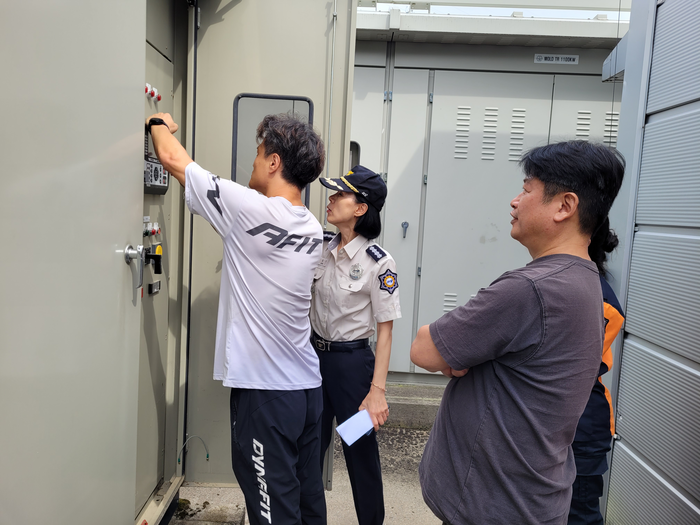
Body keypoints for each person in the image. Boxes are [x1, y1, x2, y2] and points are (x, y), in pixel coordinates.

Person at [410, 141, 625, 525]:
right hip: (527, 498)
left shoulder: (532, 288)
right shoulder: (584, 278)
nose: (514, 201)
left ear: (565, 206)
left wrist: (460, 356)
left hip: (494, 505)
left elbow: (424, 349)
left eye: (527, 190)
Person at [146, 112, 327, 525]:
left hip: (267, 395)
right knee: (307, 502)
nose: (253, 161)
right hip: (306, 390)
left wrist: (158, 121)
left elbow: (173, 160)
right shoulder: (312, 229)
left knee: (272, 511)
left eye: (259, 153)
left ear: (274, 162)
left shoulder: (249, 209)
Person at [309, 166, 401, 525]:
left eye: (340, 195)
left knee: (358, 452)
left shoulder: (378, 263)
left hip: (352, 370)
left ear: (360, 208)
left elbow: (386, 332)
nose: (331, 200)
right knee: (308, 451)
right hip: (314, 363)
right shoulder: (321, 248)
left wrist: (377, 391)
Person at [568, 218, 625, 525]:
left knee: (579, 516)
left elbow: (569, 365)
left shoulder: (598, 299)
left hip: (582, 432)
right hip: (563, 427)